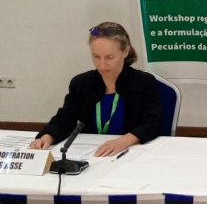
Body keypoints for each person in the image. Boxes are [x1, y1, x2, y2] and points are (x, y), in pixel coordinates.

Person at [29, 22, 162, 156]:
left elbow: (154, 122)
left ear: (125, 51)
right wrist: (48, 136)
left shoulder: (144, 82)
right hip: (90, 154)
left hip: (130, 153)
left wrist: (125, 140)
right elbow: (65, 118)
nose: (102, 65)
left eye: (109, 57)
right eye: (96, 57)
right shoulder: (81, 83)